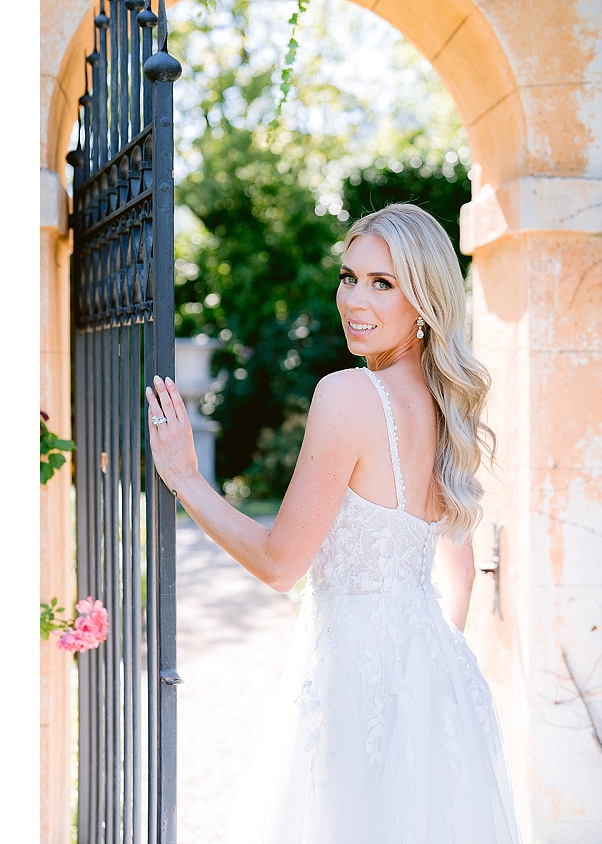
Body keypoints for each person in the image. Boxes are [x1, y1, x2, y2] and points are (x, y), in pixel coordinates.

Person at [145, 204, 520, 843]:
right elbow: (456, 568)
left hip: (356, 678)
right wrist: (426, 665)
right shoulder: (445, 408)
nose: (354, 300)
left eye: (382, 283)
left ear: (424, 299)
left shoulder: (348, 395)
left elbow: (279, 564)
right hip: (438, 677)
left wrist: (185, 478)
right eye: (349, 277)